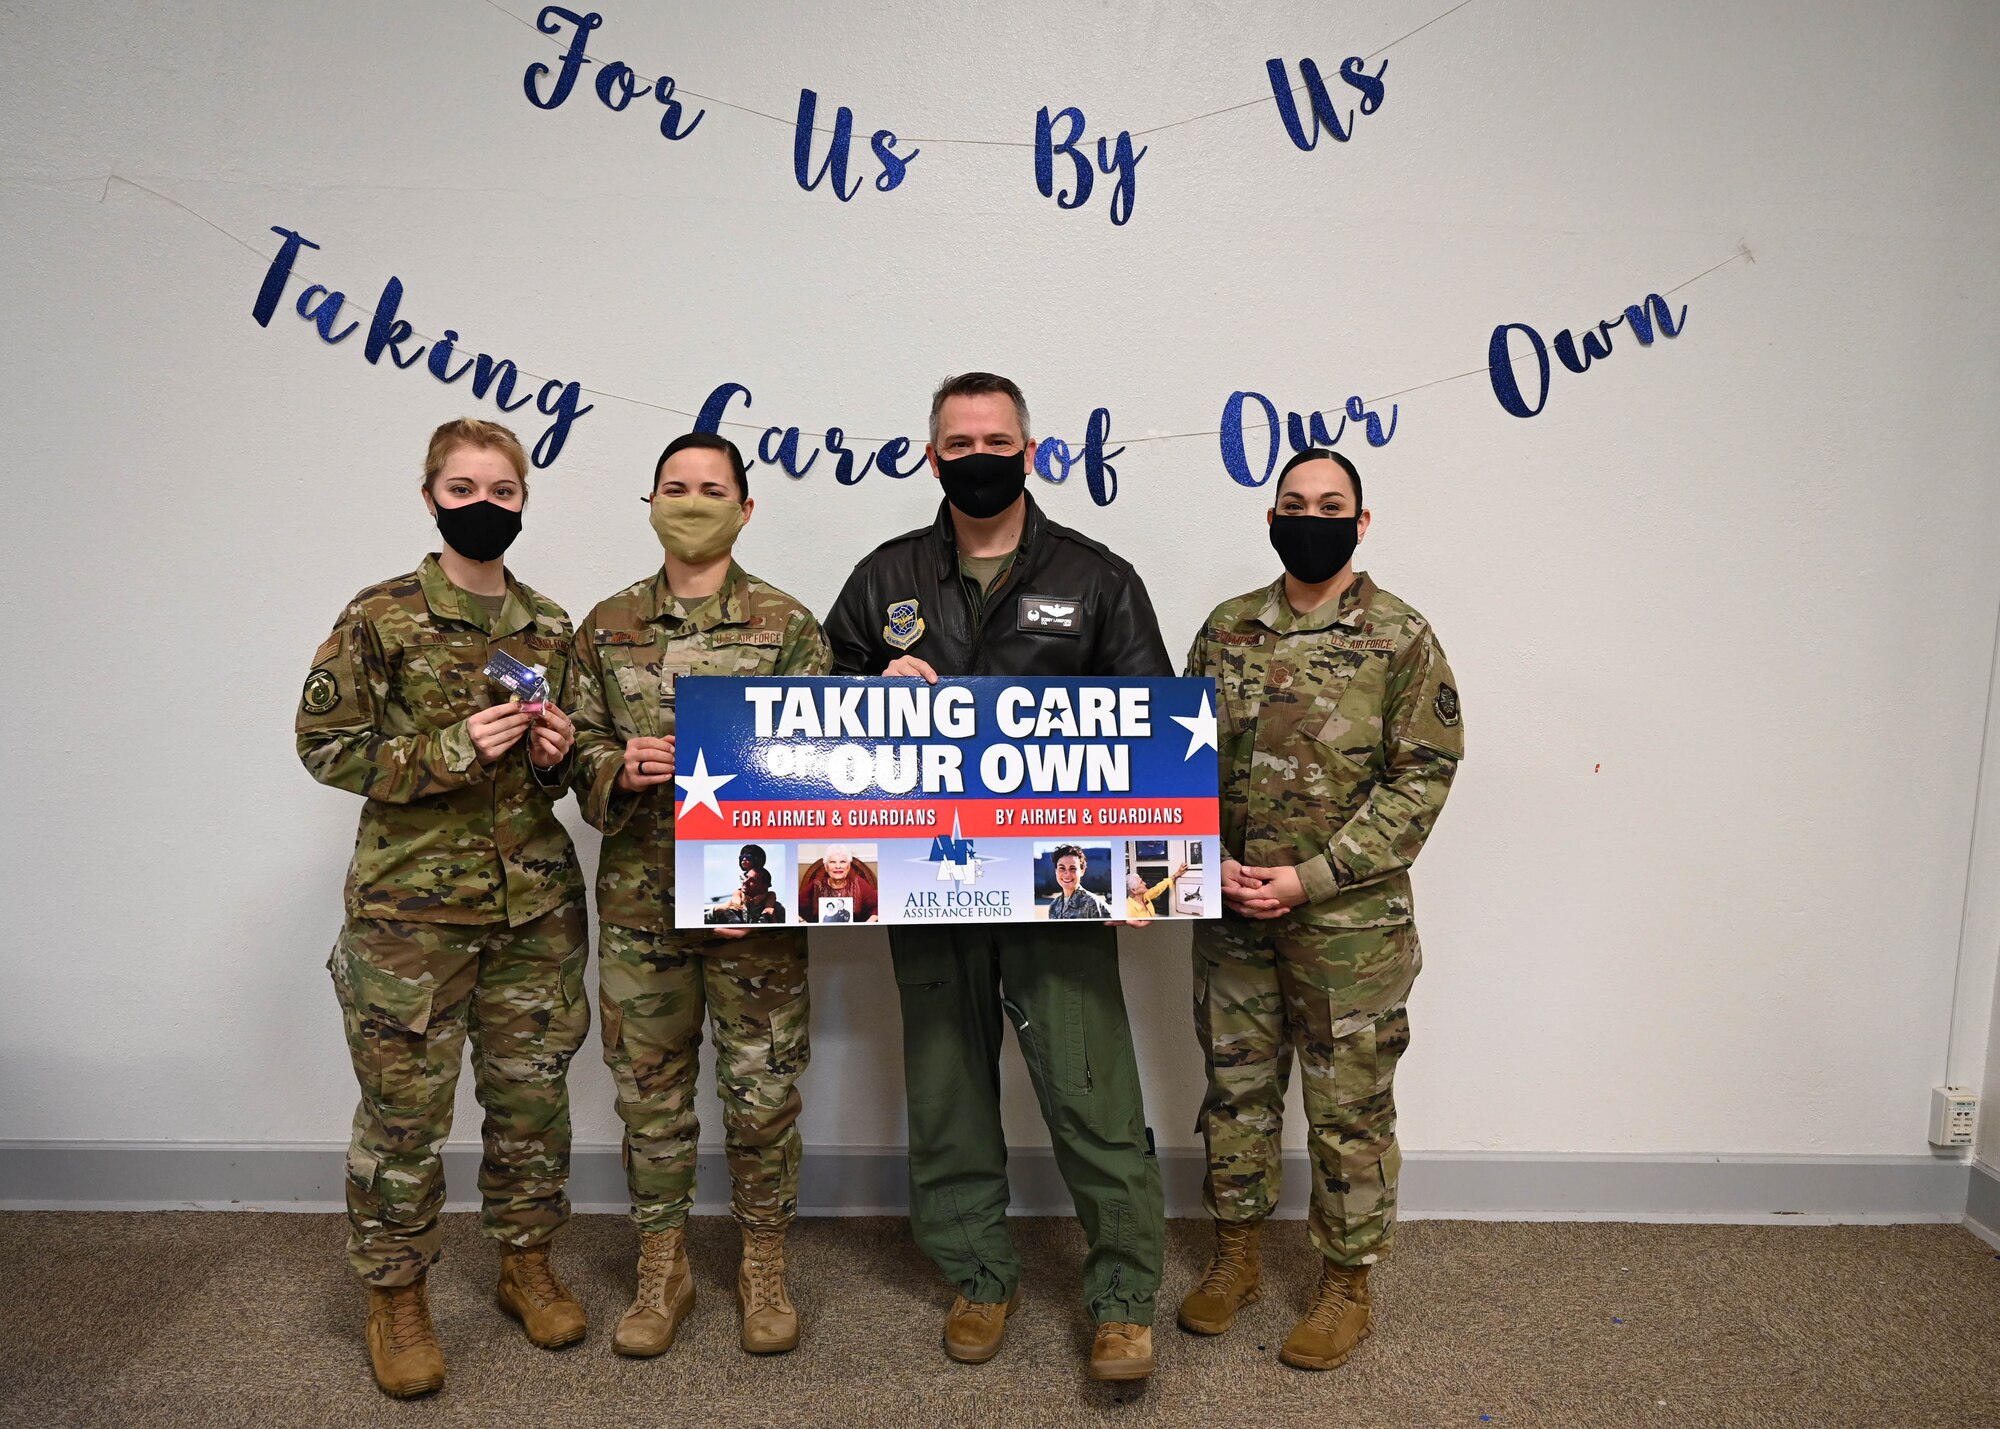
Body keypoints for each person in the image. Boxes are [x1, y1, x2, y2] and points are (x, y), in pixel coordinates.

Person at [825, 372, 1169, 1382]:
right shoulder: (884, 578)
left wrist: (1148, 874)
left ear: (1030, 450)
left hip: (1057, 882)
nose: (978, 454)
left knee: (1091, 1086)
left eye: (996, 438)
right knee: (945, 1088)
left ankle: (1119, 1298)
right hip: (925, 878)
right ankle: (978, 1274)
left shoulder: (1097, 577)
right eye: (958, 440)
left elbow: (1150, 731)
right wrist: (866, 689)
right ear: (931, 457)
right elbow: (810, 705)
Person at [296, 417, 589, 1399]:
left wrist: (556, 757)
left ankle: (524, 1262)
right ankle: (395, 1293)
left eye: (501, 491)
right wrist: (448, 749)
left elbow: (565, 772)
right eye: (462, 489)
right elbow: (325, 745)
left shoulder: (549, 624)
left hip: (533, 913)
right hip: (409, 919)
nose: (482, 506)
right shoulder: (379, 616)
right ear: (430, 496)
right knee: (403, 1117)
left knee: (532, 1106)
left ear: (522, 500)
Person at [1178, 447, 1463, 1372]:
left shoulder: (1400, 636)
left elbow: (1422, 777)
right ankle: (1237, 1258)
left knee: (1348, 1109)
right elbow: (1175, 766)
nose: (1312, 516)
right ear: (1271, 519)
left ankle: (1347, 1285)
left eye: (1331, 504)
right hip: (1230, 913)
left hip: (1349, 926)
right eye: (1295, 503)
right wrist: (1201, 859)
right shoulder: (1225, 630)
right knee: (1238, 1092)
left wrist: (1316, 874)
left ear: (1362, 522)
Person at [567, 431, 831, 1360]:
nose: (692, 500)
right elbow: (571, 749)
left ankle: (763, 1262)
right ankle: (663, 1263)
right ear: (649, 503)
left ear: (745, 508)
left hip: (754, 903)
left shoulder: (789, 624)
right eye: (674, 486)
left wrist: (744, 770)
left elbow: (828, 770)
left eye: (711, 488)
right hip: (642, 901)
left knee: (762, 1091)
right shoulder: (602, 626)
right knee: (650, 1094)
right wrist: (615, 764)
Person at [799, 845, 879, 923]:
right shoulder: (816, 885)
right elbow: (794, 908)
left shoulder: (859, 883)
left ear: (848, 866)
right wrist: (802, 922)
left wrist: (869, 922)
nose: (838, 866)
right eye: (832, 862)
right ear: (826, 867)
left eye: (843, 862)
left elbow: (878, 906)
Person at [1044, 844, 1111, 920]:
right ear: (1056, 871)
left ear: (1082, 871)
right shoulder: (1054, 906)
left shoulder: (1092, 903)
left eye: (1073, 868)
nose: (1067, 874)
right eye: (1062, 868)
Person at [1125, 861, 1190, 920]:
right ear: (1134, 890)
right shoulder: (1127, 909)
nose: (1145, 883)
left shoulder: (1145, 896)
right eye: (1141, 882)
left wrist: (1177, 874)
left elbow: (1158, 888)